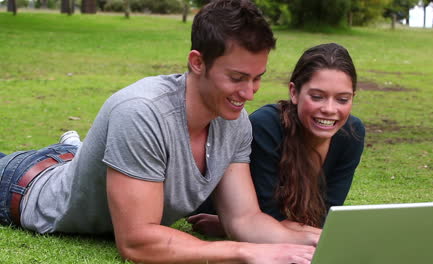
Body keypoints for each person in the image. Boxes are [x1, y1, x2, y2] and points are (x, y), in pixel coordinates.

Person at [0, 1, 318, 263]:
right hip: (24, 185)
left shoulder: (235, 121)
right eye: (236, 77)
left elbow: (243, 218)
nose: (249, 93)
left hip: (80, 165)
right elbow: (137, 241)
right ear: (197, 62)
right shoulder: (142, 112)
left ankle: (73, 146)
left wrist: (308, 240)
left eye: (257, 77)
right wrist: (245, 253)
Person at [188, 43, 366, 237]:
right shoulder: (266, 127)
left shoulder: (351, 133)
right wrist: (234, 226)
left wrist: (226, 228)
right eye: (317, 97)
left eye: (342, 99)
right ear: (294, 93)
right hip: (228, 213)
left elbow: (328, 218)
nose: (330, 109)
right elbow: (269, 216)